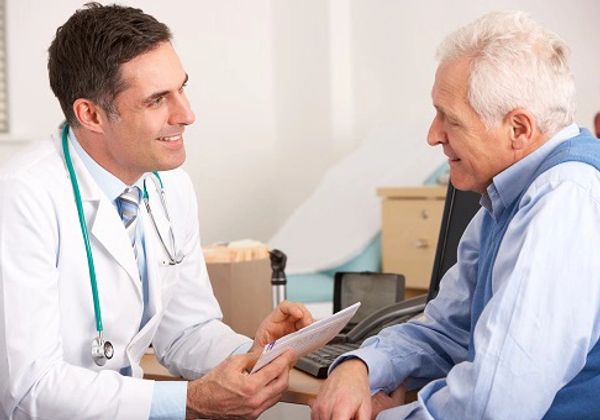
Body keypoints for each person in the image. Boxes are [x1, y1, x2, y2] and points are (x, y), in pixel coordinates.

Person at [0, 3, 313, 419]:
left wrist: (254, 354)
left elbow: (187, 331)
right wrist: (187, 402)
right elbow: (30, 388)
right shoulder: (21, 195)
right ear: (90, 114)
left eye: (182, 88)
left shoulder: (169, 185)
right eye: (156, 100)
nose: (186, 115)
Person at [312, 10, 600, 420]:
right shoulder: (504, 197)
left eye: (450, 118)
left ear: (518, 129)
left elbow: (495, 407)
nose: (433, 135)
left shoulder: (563, 199)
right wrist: (360, 365)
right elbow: (446, 330)